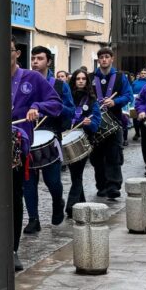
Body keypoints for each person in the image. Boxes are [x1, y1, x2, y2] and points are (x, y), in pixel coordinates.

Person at [0, 41, 62, 271]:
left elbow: (55, 103)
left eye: (9, 51)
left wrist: (37, 106)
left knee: (13, 198)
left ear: (17, 53)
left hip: (16, 146)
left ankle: (11, 249)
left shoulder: (33, 79)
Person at [23, 46, 73, 232]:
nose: (35, 62)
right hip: (28, 136)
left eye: (40, 58)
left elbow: (69, 111)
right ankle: (33, 219)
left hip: (50, 136)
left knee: (52, 180)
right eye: (33, 58)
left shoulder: (60, 85)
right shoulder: (25, 84)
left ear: (49, 62)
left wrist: (45, 109)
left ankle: (57, 201)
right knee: (28, 181)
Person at [88, 47, 132, 199]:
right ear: (98, 60)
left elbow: (128, 96)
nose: (104, 60)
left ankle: (113, 186)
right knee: (97, 157)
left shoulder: (120, 77)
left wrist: (115, 101)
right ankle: (101, 186)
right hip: (95, 123)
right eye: (101, 57)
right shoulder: (90, 77)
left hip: (115, 122)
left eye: (107, 57)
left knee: (114, 155)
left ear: (112, 59)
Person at [65, 69, 102, 216]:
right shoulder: (67, 98)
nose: (80, 81)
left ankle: (71, 206)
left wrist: (88, 123)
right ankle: (81, 202)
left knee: (77, 173)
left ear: (87, 81)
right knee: (75, 174)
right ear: (73, 81)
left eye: (83, 79)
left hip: (84, 140)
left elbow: (96, 123)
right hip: (68, 138)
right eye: (77, 79)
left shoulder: (92, 100)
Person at [130, 68, 146, 141]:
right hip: (135, 102)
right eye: (142, 73)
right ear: (139, 74)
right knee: (135, 118)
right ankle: (137, 133)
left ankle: (144, 133)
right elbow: (131, 91)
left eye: (145, 73)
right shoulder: (135, 82)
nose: (143, 74)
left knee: (144, 118)